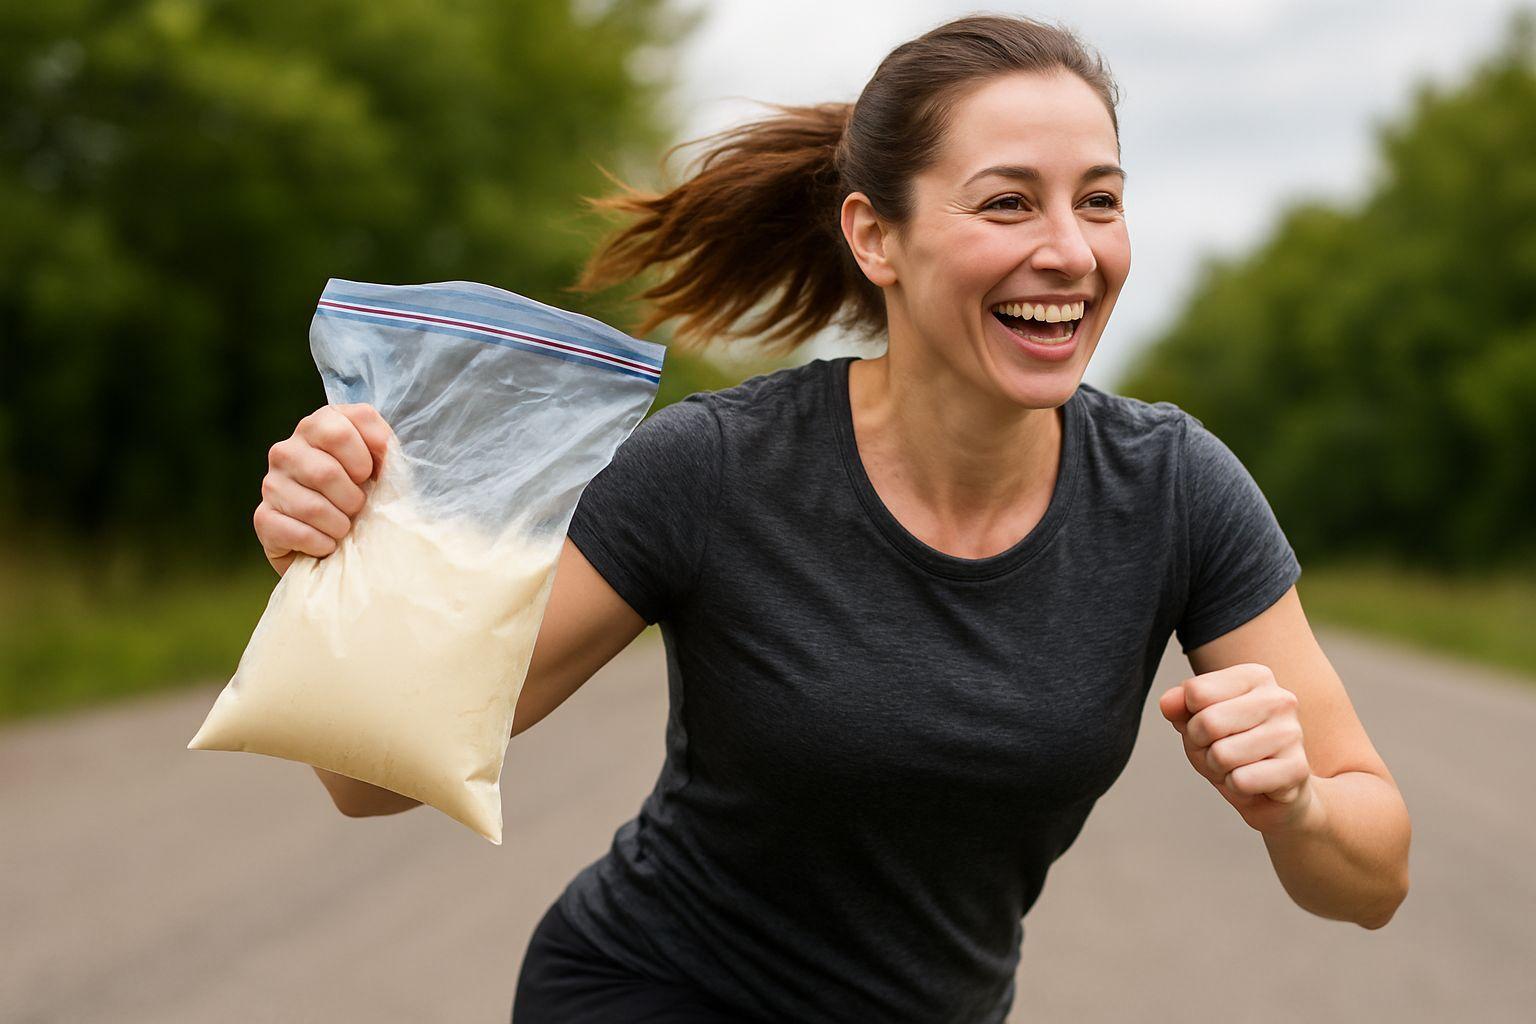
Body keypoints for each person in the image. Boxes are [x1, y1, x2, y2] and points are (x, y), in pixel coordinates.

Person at [253, 14, 1412, 1024]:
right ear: (874, 236)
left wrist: (1299, 804)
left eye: (1099, 200)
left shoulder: (1173, 490)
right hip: (656, 992)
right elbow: (372, 780)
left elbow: (1373, 877)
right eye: (1008, 201)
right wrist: (341, 555)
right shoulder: (718, 468)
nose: (1070, 250)